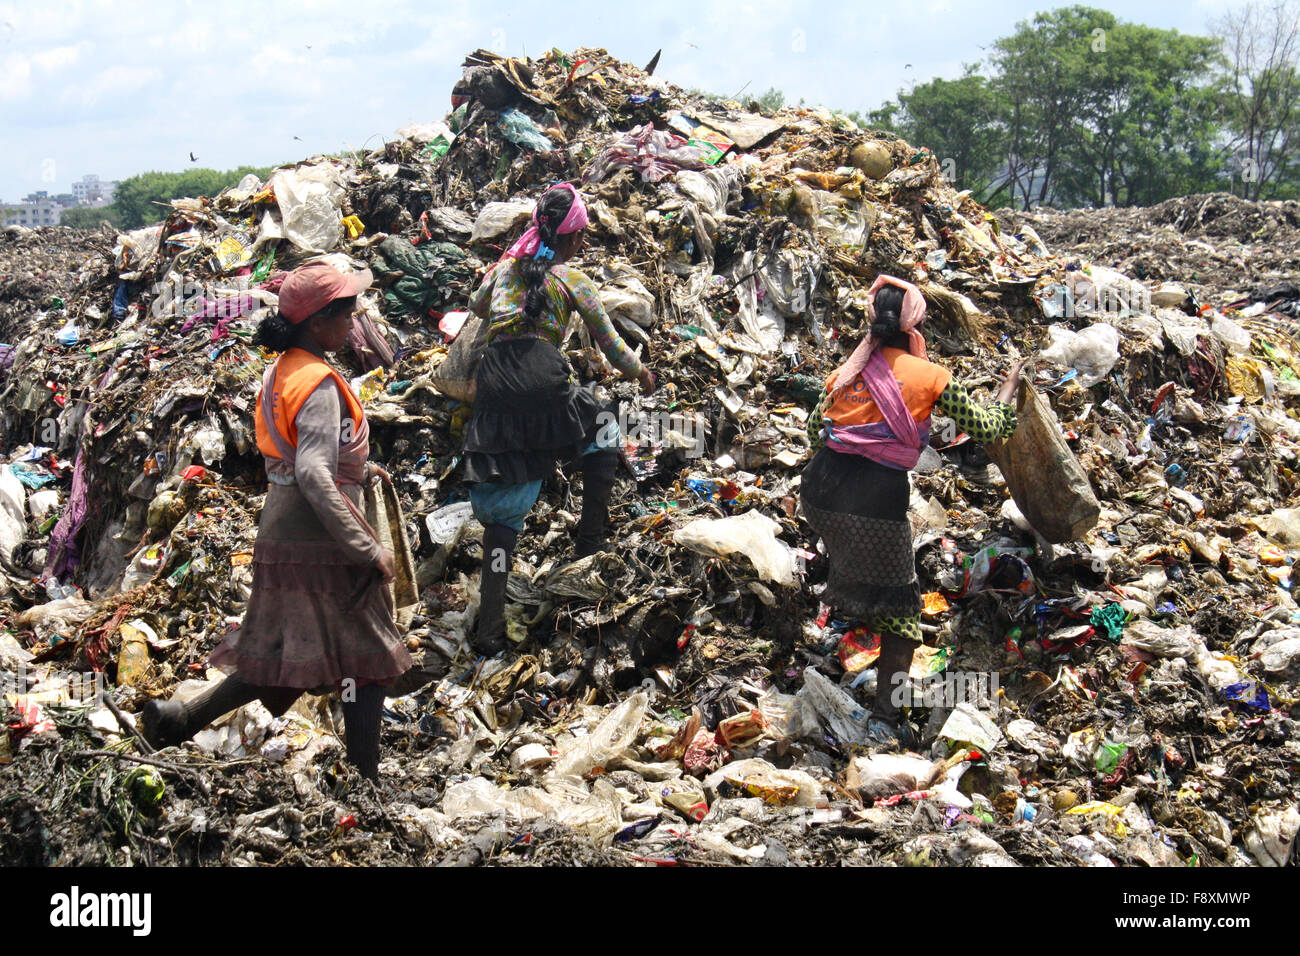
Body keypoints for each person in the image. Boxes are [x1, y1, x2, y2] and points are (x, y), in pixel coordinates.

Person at [142, 263, 412, 780]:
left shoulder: (282, 369)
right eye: (346, 311)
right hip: (321, 536)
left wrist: (357, 465)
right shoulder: (320, 384)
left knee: (285, 650)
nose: (355, 320)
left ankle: (179, 720)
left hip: (282, 527)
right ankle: (366, 782)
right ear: (317, 323)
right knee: (369, 657)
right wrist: (365, 547)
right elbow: (314, 473)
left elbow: (298, 457)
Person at [802, 274, 1023, 747]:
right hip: (870, 501)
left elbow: (811, 429)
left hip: (818, 491)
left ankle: (844, 619)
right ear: (915, 323)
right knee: (902, 608)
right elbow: (986, 428)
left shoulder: (845, 372)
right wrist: (1008, 390)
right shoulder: (932, 375)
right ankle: (886, 717)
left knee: (859, 563)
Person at [465, 182, 655, 655]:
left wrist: (513, 271)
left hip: (494, 385)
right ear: (569, 240)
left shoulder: (503, 271)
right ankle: (588, 549)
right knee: (606, 427)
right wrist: (644, 374)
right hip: (543, 381)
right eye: (582, 235)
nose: (584, 243)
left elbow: (475, 307)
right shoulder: (573, 281)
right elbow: (612, 347)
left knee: (507, 505)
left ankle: (489, 627)